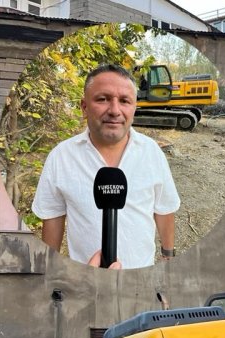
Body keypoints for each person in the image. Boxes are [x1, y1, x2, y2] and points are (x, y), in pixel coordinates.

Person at [32, 64, 180, 269]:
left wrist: (168, 257)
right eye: (103, 99)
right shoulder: (61, 157)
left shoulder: (152, 152)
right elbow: (52, 217)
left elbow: (164, 209)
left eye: (124, 101)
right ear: (84, 107)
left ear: (134, 108)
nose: (114, 111)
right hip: (85, 279)